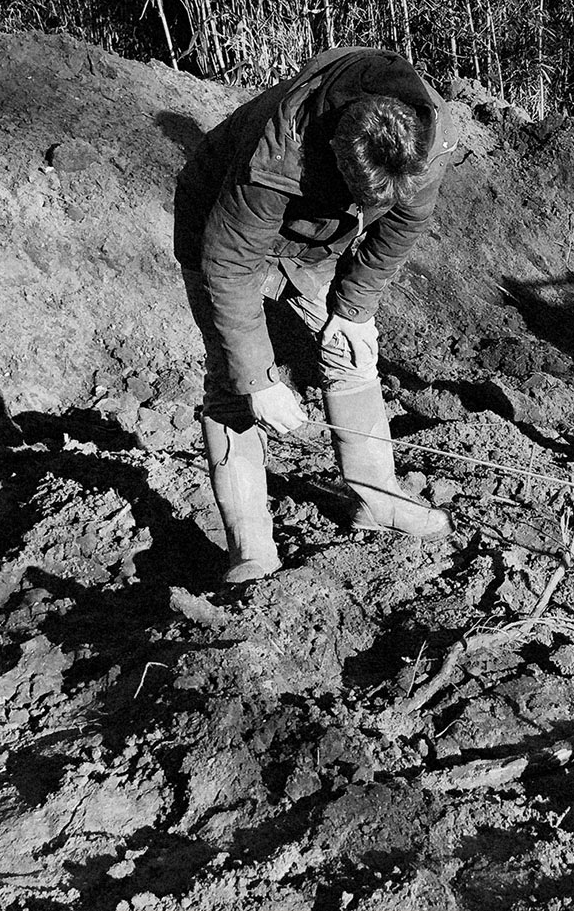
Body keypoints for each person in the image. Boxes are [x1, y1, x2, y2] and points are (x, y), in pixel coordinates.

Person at [174, 47, 459, 582]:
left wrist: (354, 309)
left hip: (316, 238)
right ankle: (250, 547)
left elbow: (404, 224)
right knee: (233, 384)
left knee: (352, 352)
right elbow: (229, 267)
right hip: (222, 228)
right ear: (332, 152)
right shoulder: (276, 154)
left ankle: (378, 500)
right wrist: (259, 381)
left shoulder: (426, 134)